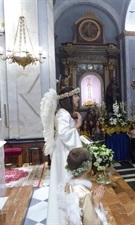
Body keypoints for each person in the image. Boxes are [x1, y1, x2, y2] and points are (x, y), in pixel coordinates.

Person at [40, 86, 83, 225]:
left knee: (66, 180)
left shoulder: (64, 113)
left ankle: (71, 216)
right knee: (65, 180)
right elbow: (64, 134)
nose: (78, 98)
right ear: (68, 98)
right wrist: (77, 125)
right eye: (75, 96)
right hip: (63, 152)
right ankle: (65, 218)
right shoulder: (62, 114)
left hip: (63, 150)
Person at [58, 147, 108, 225]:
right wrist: (96, 203)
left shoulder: (68, 184)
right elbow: (91, 222)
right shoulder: (85, 194)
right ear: (87, 167)